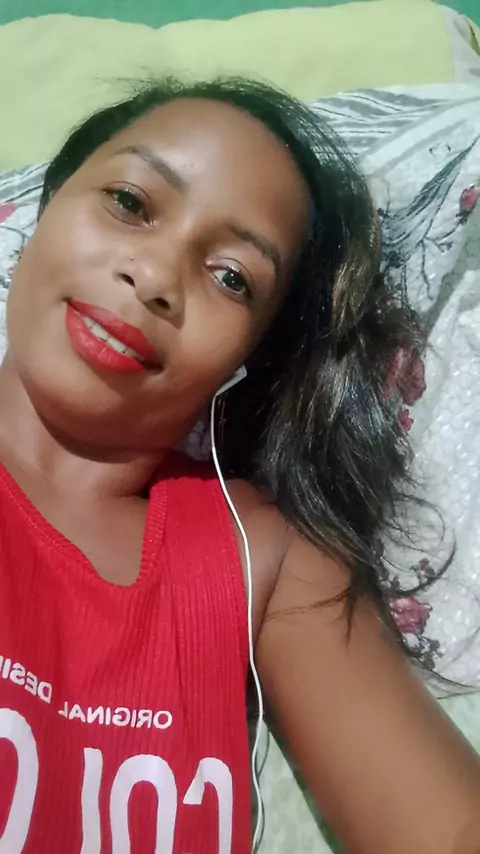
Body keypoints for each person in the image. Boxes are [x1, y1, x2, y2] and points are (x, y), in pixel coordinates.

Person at [0, 76, 479, 854]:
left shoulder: (264, 557)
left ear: (247, 357)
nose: (155, 278)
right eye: (130, 202)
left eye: (232, 277)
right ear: (44, 209)